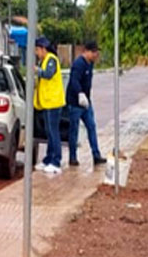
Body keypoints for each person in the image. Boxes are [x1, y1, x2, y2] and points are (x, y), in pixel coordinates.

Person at [66, 41, 106, 167]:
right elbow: (74, 81)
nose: (96, 55)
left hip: (86, 102)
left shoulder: (90, 64)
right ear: (86, 51)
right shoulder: (79, 64)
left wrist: (86, 98)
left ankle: (96, 155)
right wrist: (79, 93)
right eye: (93, 52)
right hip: (75, 102)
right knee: (74, 130)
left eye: (96, 52)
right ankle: (72, 157)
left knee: (91, 126)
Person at [32, 36, 66, 175]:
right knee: (49, 133)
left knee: (53, 133)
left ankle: (56, 161)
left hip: (54, 103)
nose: (36, 53)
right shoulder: (44, 60)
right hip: (46, 102)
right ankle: (48, 159)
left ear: (43, 49)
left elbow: (48, 74)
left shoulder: (51, 59)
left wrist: (37, 70)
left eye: (37, 50)